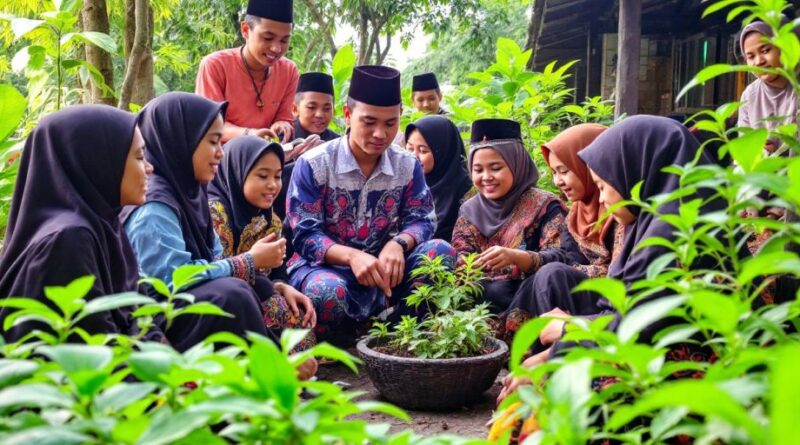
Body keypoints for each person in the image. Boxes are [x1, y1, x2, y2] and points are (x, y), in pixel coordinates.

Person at [498, 115, 730, 403]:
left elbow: (642, 324)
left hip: (691, 374)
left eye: (605, 185)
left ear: (637, 176)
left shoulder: (677, 234)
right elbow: (628, 311)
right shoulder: (651, 223)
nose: (604, 198)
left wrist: (568, 335)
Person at [123, 92, 318, 380]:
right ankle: (272, 371)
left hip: (191, 306)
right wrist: (248, 262)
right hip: (150, 323)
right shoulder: (155, 205)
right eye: (213, 141)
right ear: (182, 141)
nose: (220, 152)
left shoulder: (191, 193)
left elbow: (216, 260)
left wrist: (268, 281)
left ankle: (269, 369)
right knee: (233, 294)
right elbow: (170, 281)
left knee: (255, 289)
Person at [286, 65, 456, 342]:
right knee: (326, 292)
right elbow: (305, 235)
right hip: (325, 270)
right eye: (369, 122)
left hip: (385, 271)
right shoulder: (313, 164)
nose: (380, 134)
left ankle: (401, 332)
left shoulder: (407, 165)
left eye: (390, 123)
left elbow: (423, 219)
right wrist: (352, 256)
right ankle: (347, 338)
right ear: (348, 115)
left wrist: (398, 244)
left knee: (440, 253)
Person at [0, 105, 162, 343]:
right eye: (139, 157)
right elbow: (95, 350)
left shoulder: (103, 222)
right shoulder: (68, 240)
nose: (149, 168)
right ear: (99, 162)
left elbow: (140, 312)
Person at [503, 124, 623, 338]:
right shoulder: (576, 214)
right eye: (554, 173)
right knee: (542, 278)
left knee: (552, 275)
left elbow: (618, 274)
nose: (558, 182)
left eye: (564, 171)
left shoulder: (621, 211)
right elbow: (569, 257)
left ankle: (552, 355)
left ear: (588, 167)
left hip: (613, 306)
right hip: (587, 297)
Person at [451, 118, 581, 314]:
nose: (486, 177)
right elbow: (461, 257)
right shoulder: (469, 210)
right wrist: (472, 266)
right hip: (480, 306)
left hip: (533, 298)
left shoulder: (544, 205)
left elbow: (563, 258)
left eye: (495, 168)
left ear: (516, 164)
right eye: (478, 170)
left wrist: (519, 259)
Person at [208, 135, 316, 350]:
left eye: (277, 176)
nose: (273, 185)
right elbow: (212, 273)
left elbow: (277, 270)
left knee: (301, 319)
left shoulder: (270, 218)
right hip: (222, 303)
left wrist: (283, 286)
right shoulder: (214, 215)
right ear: (237, 173)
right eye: (263, 176)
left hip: (258, 292)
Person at [196, 0, 298, 143]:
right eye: (268, 38)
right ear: (245, 30)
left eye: (284, 41)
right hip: (221, 159)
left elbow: (284, 118)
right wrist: (250, 134)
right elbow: (210, 125)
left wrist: (282, 125)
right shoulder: (215, 65)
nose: (276, 48)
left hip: (267, 158)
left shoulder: (289, 71)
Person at [273, 71, 340, 220]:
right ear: (295, 109)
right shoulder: (281, 138)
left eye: (327, 108)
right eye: (312, 107)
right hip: (280, 218)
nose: (319, 114)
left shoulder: (338, 143)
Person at [404, 115, 473, 241]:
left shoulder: (464, 189)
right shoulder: (401, 183)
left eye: (423, 151)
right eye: (409, 149)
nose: (414, 156)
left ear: (442, 153)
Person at [738, 20, 797, 155]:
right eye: (751, 56)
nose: (759, 62)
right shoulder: (749, 96)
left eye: (765, 50)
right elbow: (744, 149)